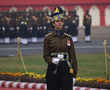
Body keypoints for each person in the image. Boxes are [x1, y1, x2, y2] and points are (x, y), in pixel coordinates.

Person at [43, 6, 78, 90]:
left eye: (61, 21)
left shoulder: (68, 38)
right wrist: (51, 60)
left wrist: (74, 74)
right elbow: (45, 55)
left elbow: (73, 57)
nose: (60, 23)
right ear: (53, 23)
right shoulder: (48, 38)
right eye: (57, 21)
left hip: (66, 69)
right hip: (53, 68)